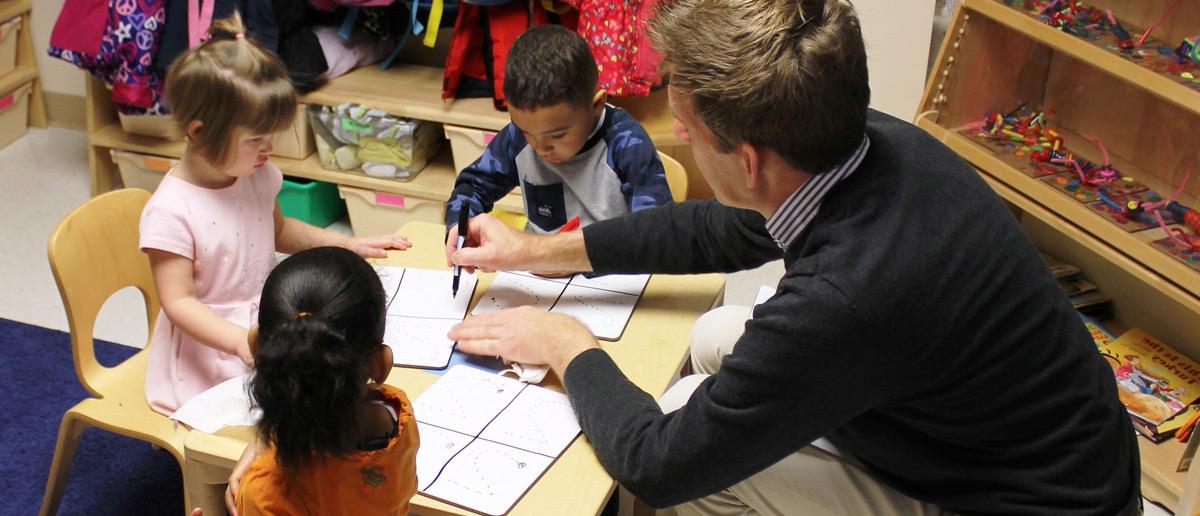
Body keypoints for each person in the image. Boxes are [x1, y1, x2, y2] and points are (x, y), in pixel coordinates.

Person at [444, 0, 1141, 514]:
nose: (678, 136)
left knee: (691, 450)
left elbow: (655, 465)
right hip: (1037, 442)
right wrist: (539, 251)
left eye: (686, 130)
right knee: (715, 338)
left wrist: (569, 344)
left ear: (746, 161)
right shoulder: (869, 141)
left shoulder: (845, 298)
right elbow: (717, 232)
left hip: (1031, 501)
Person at [139, 14, 411, 415]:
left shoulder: (253, 173)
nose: (268, 150)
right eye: (256, 140)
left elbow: (279, 230)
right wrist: (238, 341)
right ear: (199, 132)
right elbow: (178, 303)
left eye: (271, 136)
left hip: (264, 324)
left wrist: (346, 244)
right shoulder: (170, 211)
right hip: (212, 348)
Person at [230, 246, 419, 515]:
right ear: (380, 364)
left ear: (256, 346)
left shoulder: (265, 493)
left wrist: (265, 448)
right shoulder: (398, 419)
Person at [443, 25, 672, 240]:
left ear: (597, 105)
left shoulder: (627, 144)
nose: (540, 148)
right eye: (526, 132)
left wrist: (569, 259)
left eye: (558, 135)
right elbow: (473, 186)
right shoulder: (519, 137)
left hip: (609, 273)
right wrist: (459, 227)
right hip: (534, 273)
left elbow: (654, 236)